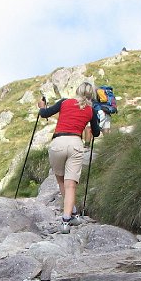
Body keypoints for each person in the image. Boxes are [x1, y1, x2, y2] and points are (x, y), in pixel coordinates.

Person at [37, 82, 101, 233]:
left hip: (58, 142)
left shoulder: (64, 102)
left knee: (61, 180)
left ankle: (72, 214)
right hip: (75, 144)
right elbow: (96, 133)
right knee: (71, 184)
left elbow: (44, 114)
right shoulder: (91, 110)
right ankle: (68, 218)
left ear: (77, 91)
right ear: (91, 94)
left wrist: (41, 106)